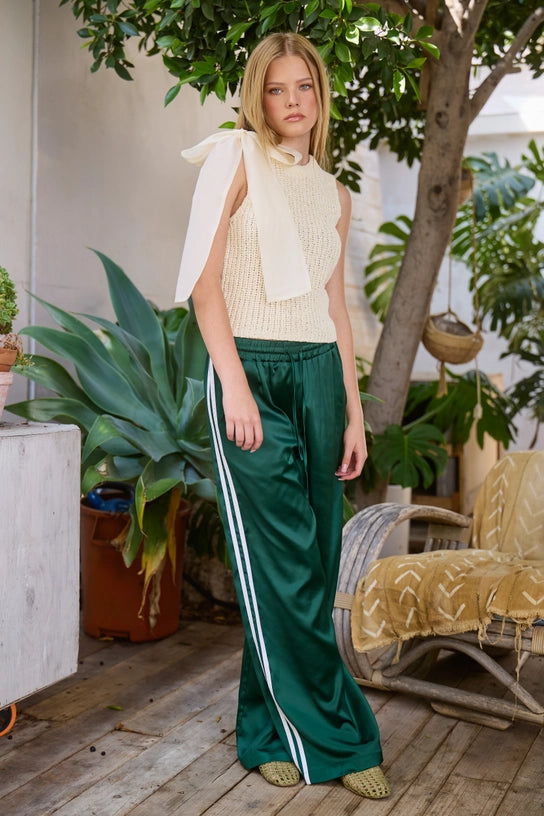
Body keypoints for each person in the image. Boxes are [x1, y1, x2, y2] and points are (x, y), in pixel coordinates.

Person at [175, 32, 391, 800]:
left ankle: (263, 731)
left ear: (319, 96)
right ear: (257, 97)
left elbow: (335, 309)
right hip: (251, 374)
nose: (293, 101)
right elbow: (205, 286)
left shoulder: (335, 194)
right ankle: (339, 739)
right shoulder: (234, 159)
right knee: (283, 565)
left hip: (320, 377)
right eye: (277, 88)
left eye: (305, 87)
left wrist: (354, 414)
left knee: (314, 563)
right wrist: (234, 386)